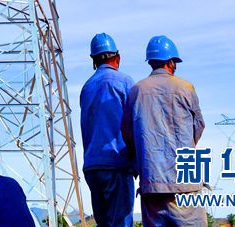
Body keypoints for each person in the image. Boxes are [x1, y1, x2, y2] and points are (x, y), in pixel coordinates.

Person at [121, 36, 206, 227]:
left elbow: (127, 133)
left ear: (150, 61)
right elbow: (199, 125)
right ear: (170, 62)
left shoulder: (136, 91)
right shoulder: (186, 88)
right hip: (185, 184)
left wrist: (143, 159)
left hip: (152, 184)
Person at [80, 32, 135, 227]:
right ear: (117, 57)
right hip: (116, 164)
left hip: (92, 167)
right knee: (120, 223)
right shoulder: (125, 82)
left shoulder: (87, 87)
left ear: (94, 61)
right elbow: (135, 124)